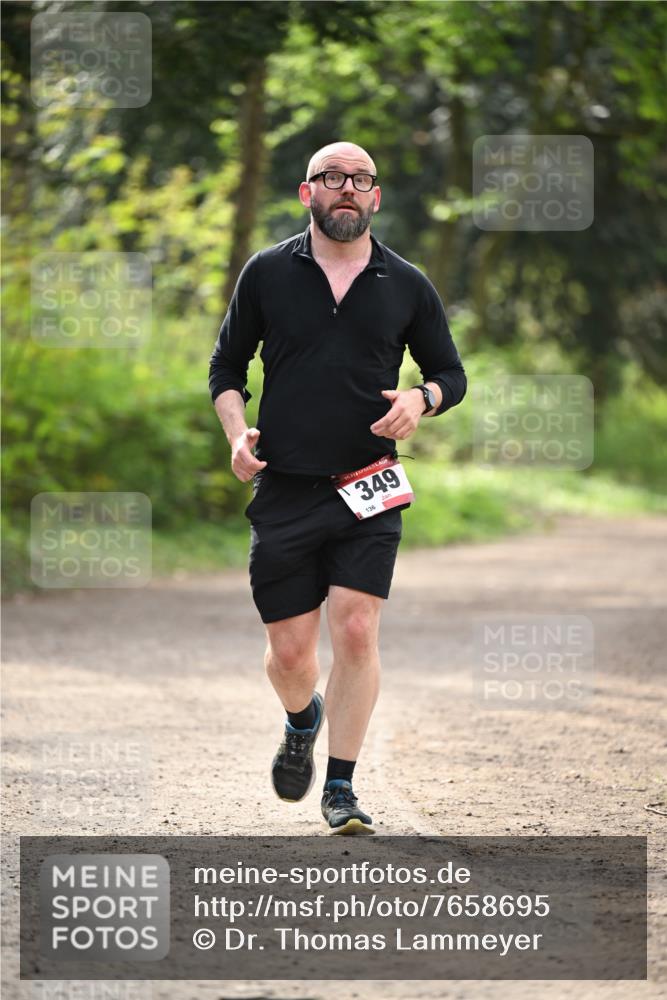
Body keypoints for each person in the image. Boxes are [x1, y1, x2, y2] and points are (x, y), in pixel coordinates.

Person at [209, 141, 466, 835]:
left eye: (360, 179)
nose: (346, 188)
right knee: (291, 657)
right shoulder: (267, 272)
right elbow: (226, 367)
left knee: (356, 630)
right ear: (308, 192)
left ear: (375, 196)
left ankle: (342, 786)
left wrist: (422, 399)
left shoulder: (406, 283)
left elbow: (450, 373)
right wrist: (236, 435)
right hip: (286, 487)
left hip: (368, 483)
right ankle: (302, 721)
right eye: (332, 178)